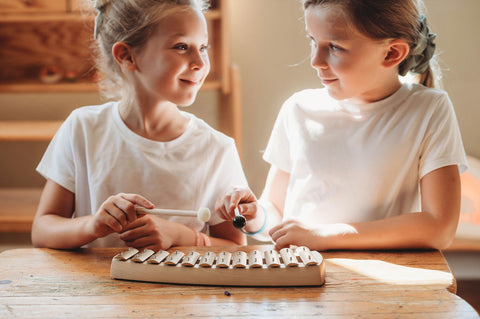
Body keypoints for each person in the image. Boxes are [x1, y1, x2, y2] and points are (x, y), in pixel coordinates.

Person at [216, 0, 468, 251]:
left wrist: (325, 236)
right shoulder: (298, 109)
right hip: (301, 277)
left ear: (392, 53)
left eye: (334, 47)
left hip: (381, 283)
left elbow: (439, 227)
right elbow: (276, 211)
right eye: (313, 41)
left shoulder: (428, 109)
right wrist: (255, 216)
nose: (315, 60)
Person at [32, 0, 247, 250]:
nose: (199, 62)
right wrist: (92, 226)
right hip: (96, 289)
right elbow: (42, 230)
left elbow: (235, 247)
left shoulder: (216, 149)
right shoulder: (82, 129)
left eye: (203, 47)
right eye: (181, 47)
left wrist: (180, 236)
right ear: (127, 56)